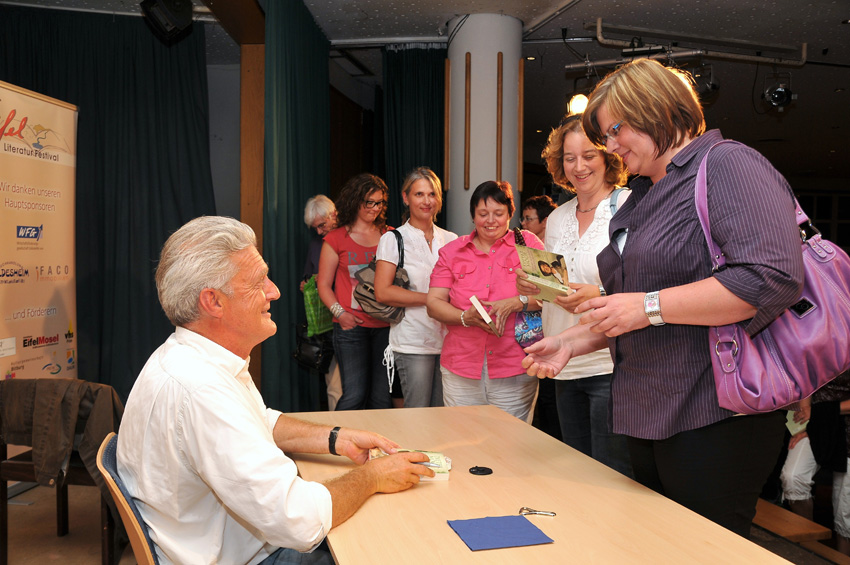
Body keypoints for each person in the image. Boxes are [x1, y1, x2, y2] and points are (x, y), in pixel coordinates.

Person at [522, 58, 804, 537]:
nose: (609, 146)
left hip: (712, 412)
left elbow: (768, 276)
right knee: (651, 542)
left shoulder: (728, 164)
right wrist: (573, 342)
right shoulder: (646, 194)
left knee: (703, 546)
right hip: (648, 409)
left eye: (615, 130)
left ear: (654, 109)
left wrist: (646, 305)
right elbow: (630, 307)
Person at [117, 216, 432, 565]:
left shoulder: (190, 356)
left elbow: (257, 419)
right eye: (258, 282)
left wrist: (335, 437)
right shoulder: (203, 390)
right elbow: (299, 521)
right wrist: (372, 477)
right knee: (397, 544)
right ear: (213, 302)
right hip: (243, 558)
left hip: (222, 544)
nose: (275, 291)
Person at [518, 113, 632, 477]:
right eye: (569, 158)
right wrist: (533, 290)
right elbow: (555, 291)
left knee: (611, 475)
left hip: (610, 363)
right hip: (563, 364)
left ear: (608, 157)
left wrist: (597, 292)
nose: (579, 166)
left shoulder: (628, 206)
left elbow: (646, 284)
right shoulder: (557, 218)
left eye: (588, 155)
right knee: (575, 472)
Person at [426, 180, 543, 422]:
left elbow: (551, 296)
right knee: (461, 437)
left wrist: (515, 302)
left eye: (498, 213)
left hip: (514, 364)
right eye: (483, 214)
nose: (491, 220)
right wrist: (464, 317)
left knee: (511, 441)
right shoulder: (452, 252)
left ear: (510, 214)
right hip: (461, 366)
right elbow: (434, 303)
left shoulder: (529, 244)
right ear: (472, 216)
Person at [374, 167, 458, 407]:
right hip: (412, 341)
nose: (426, 201)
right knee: (418, 416)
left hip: (449, 341)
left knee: (444, 418)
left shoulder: (451, 240)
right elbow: (383, 291)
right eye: (419, 194)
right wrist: (432, 299)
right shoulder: (393, 239)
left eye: (432, 194)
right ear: (405, 197)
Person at [318, 174, 393, 411]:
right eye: (368, 202)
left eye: (379, 202)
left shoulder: (389, 235)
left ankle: (379, 447)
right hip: (351, 327)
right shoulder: (336, 238)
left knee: (381, 399)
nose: (374, 208)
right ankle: (337, 445)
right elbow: (323, 285)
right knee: (354, 395)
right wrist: (341, 315)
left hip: (385, 328)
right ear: (355, 201)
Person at [781, 373, 850, 555]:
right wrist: (808, 421)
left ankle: (842, 558)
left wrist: (817, 416)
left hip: (840, 421)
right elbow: (806, 375)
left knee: (845, 513)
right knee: (793, 478)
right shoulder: (820, 344)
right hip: (817, 420)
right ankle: (808, 548)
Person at [302, 195, 342, 410]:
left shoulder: (350, 236)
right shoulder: (316, 244)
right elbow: (308, 275)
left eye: (321, 225)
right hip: (327, 323)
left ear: (333, 215)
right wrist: (308, 282)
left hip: (353, 319)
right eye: (314, 227)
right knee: (334, 385)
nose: (318, 231)